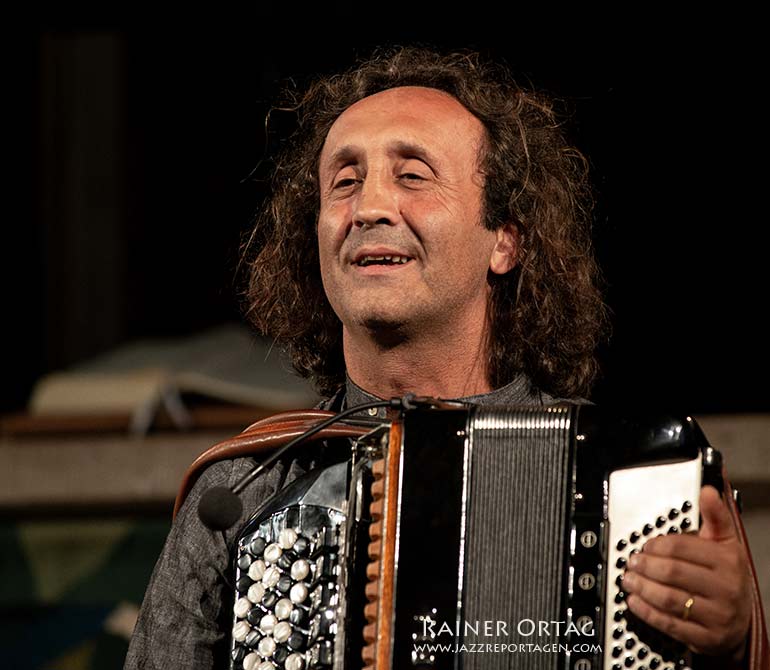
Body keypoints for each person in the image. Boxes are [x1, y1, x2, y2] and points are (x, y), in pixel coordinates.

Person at [125, 46, 762, 669]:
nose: (369, 209)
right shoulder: (242, 489)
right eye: (344, 184)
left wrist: (734, 644)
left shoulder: (626, 481)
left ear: (505, 241)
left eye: (413, 175)